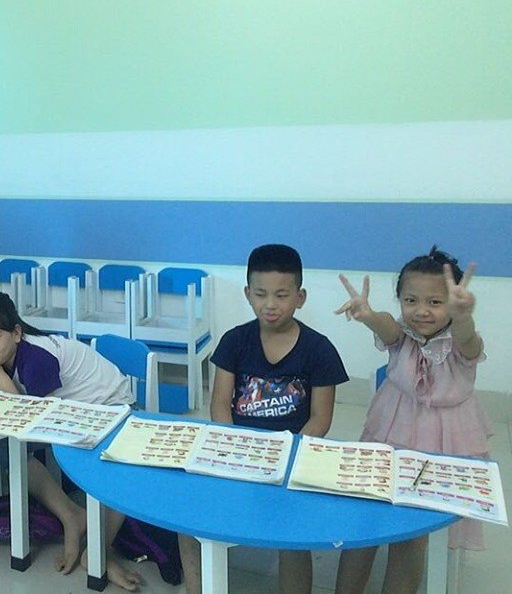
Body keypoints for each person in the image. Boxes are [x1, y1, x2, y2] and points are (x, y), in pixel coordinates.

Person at [178, 244, 348, 594]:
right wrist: (235, 447)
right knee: (188, 514)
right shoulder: (234, 341)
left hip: (292, 456)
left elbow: (320, 419)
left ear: (300, 297)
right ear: (248, 294)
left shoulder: (319, 349)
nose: (270, 304)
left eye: (281, 295)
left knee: (293, 534)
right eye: (260, 294)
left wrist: (288, 455)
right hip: (239, 450)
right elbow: (220, 405)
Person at [0, 291, 141, 591]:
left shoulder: (37, 359)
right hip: (70, 414)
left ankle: (99, 552)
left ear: (16, 333)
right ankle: (71, 516)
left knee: (114, 469)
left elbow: (29, 419)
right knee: (4, 446)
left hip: (112, 411)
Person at [334, 247, 491, 594]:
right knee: (365, 519)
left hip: (445, 439)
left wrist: (463, 317)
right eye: (411, 300)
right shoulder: (402, 334)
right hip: (393, 426)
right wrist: (368, 315)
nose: (422, 311)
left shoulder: (461, 342)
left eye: (435, 302)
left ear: (452, 303)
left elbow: (468, 340)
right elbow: (388, 327)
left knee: (413, 533)